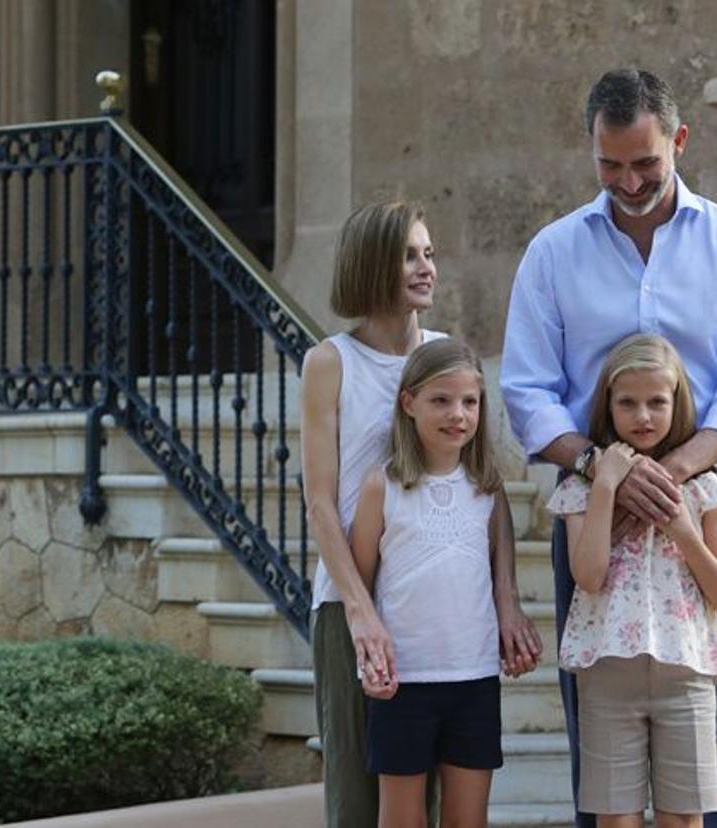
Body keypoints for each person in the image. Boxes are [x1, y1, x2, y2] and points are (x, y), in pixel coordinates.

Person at [499, 68, 717, 828]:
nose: (627, 180)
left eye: (645, 163)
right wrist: (603, 472)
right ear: (591, 150)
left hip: (708, 495)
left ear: (678, 142)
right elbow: (526, 390)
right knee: (592, 716)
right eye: (610, 164)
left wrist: (675, 477)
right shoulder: (553, 253)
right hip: (595, 497)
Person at [301, 201, 542, 828]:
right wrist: (360, 613)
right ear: (372, 261)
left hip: (442, 622)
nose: (426, 266)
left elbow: (486, 492)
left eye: (430, 253)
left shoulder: (445, 359)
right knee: (360, 801)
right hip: (352, 602)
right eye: (410, 253)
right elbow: (321, 501)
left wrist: (506, 597)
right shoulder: (330, 362)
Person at [548, 334, 717, 828]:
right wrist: (607, 485)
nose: (643, 416)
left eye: (657, 402)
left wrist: (684, 530)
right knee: (615, 820)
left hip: (687, 674)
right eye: (628, 403)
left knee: (683, 819)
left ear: (676, 403)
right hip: (608, 674)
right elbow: (588, 577)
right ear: (607, 406)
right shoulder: (580, 490)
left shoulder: (704, 489)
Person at [350, 337, 526, 828]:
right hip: (403, 683)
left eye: (470, 402)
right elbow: (359, 587)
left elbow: (500, 579)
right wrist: (368, 661)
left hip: (474, 678)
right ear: (409, 403)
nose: (458, 414)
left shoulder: (487, 489)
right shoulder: (380, 486)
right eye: (441, 400)